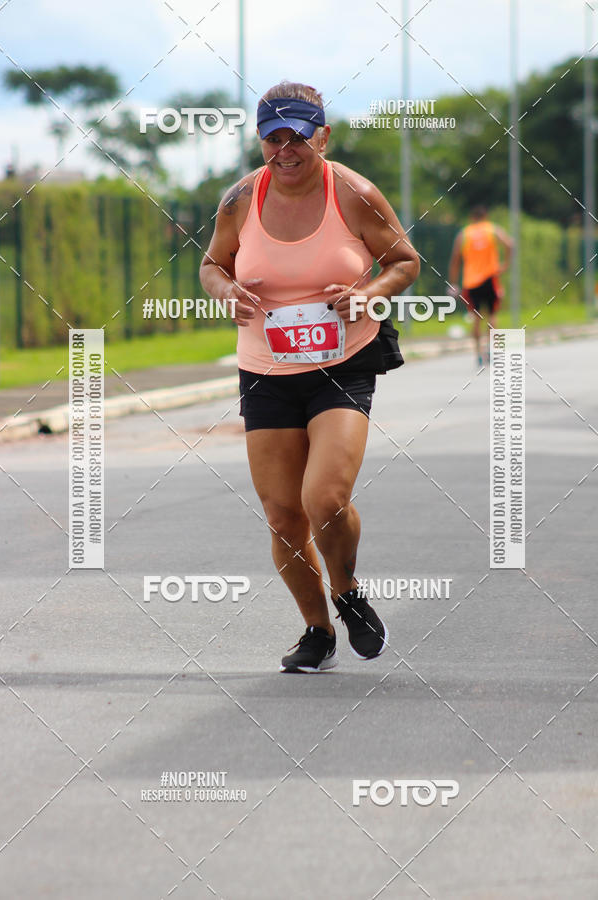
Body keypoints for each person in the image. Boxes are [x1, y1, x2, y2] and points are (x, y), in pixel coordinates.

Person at [200, 81, 420, 673]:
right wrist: (226, 291)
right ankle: (317, 631)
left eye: (297, 136)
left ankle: (347, 592)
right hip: (265, 370)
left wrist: (368, 295)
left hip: (342, 364)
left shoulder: (355, 194)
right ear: (260, 140)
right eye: (273, 137)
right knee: (283, 514)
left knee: (323, 498)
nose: (286, 149)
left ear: (322, 136)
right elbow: (211, 264)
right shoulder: (240, 199)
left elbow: (404, 261)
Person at [448, 206, 513, 366]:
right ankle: (491, 350)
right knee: (492, 315)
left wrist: (453, 283)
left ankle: (478, 353)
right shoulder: (492, 230)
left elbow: (455, 259)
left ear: (472, 218)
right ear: (485, 217)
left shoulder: (464, 234)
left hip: (471, 281)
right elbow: (510, 244)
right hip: (490, 278)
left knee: (476, 317)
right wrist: (505, 265)